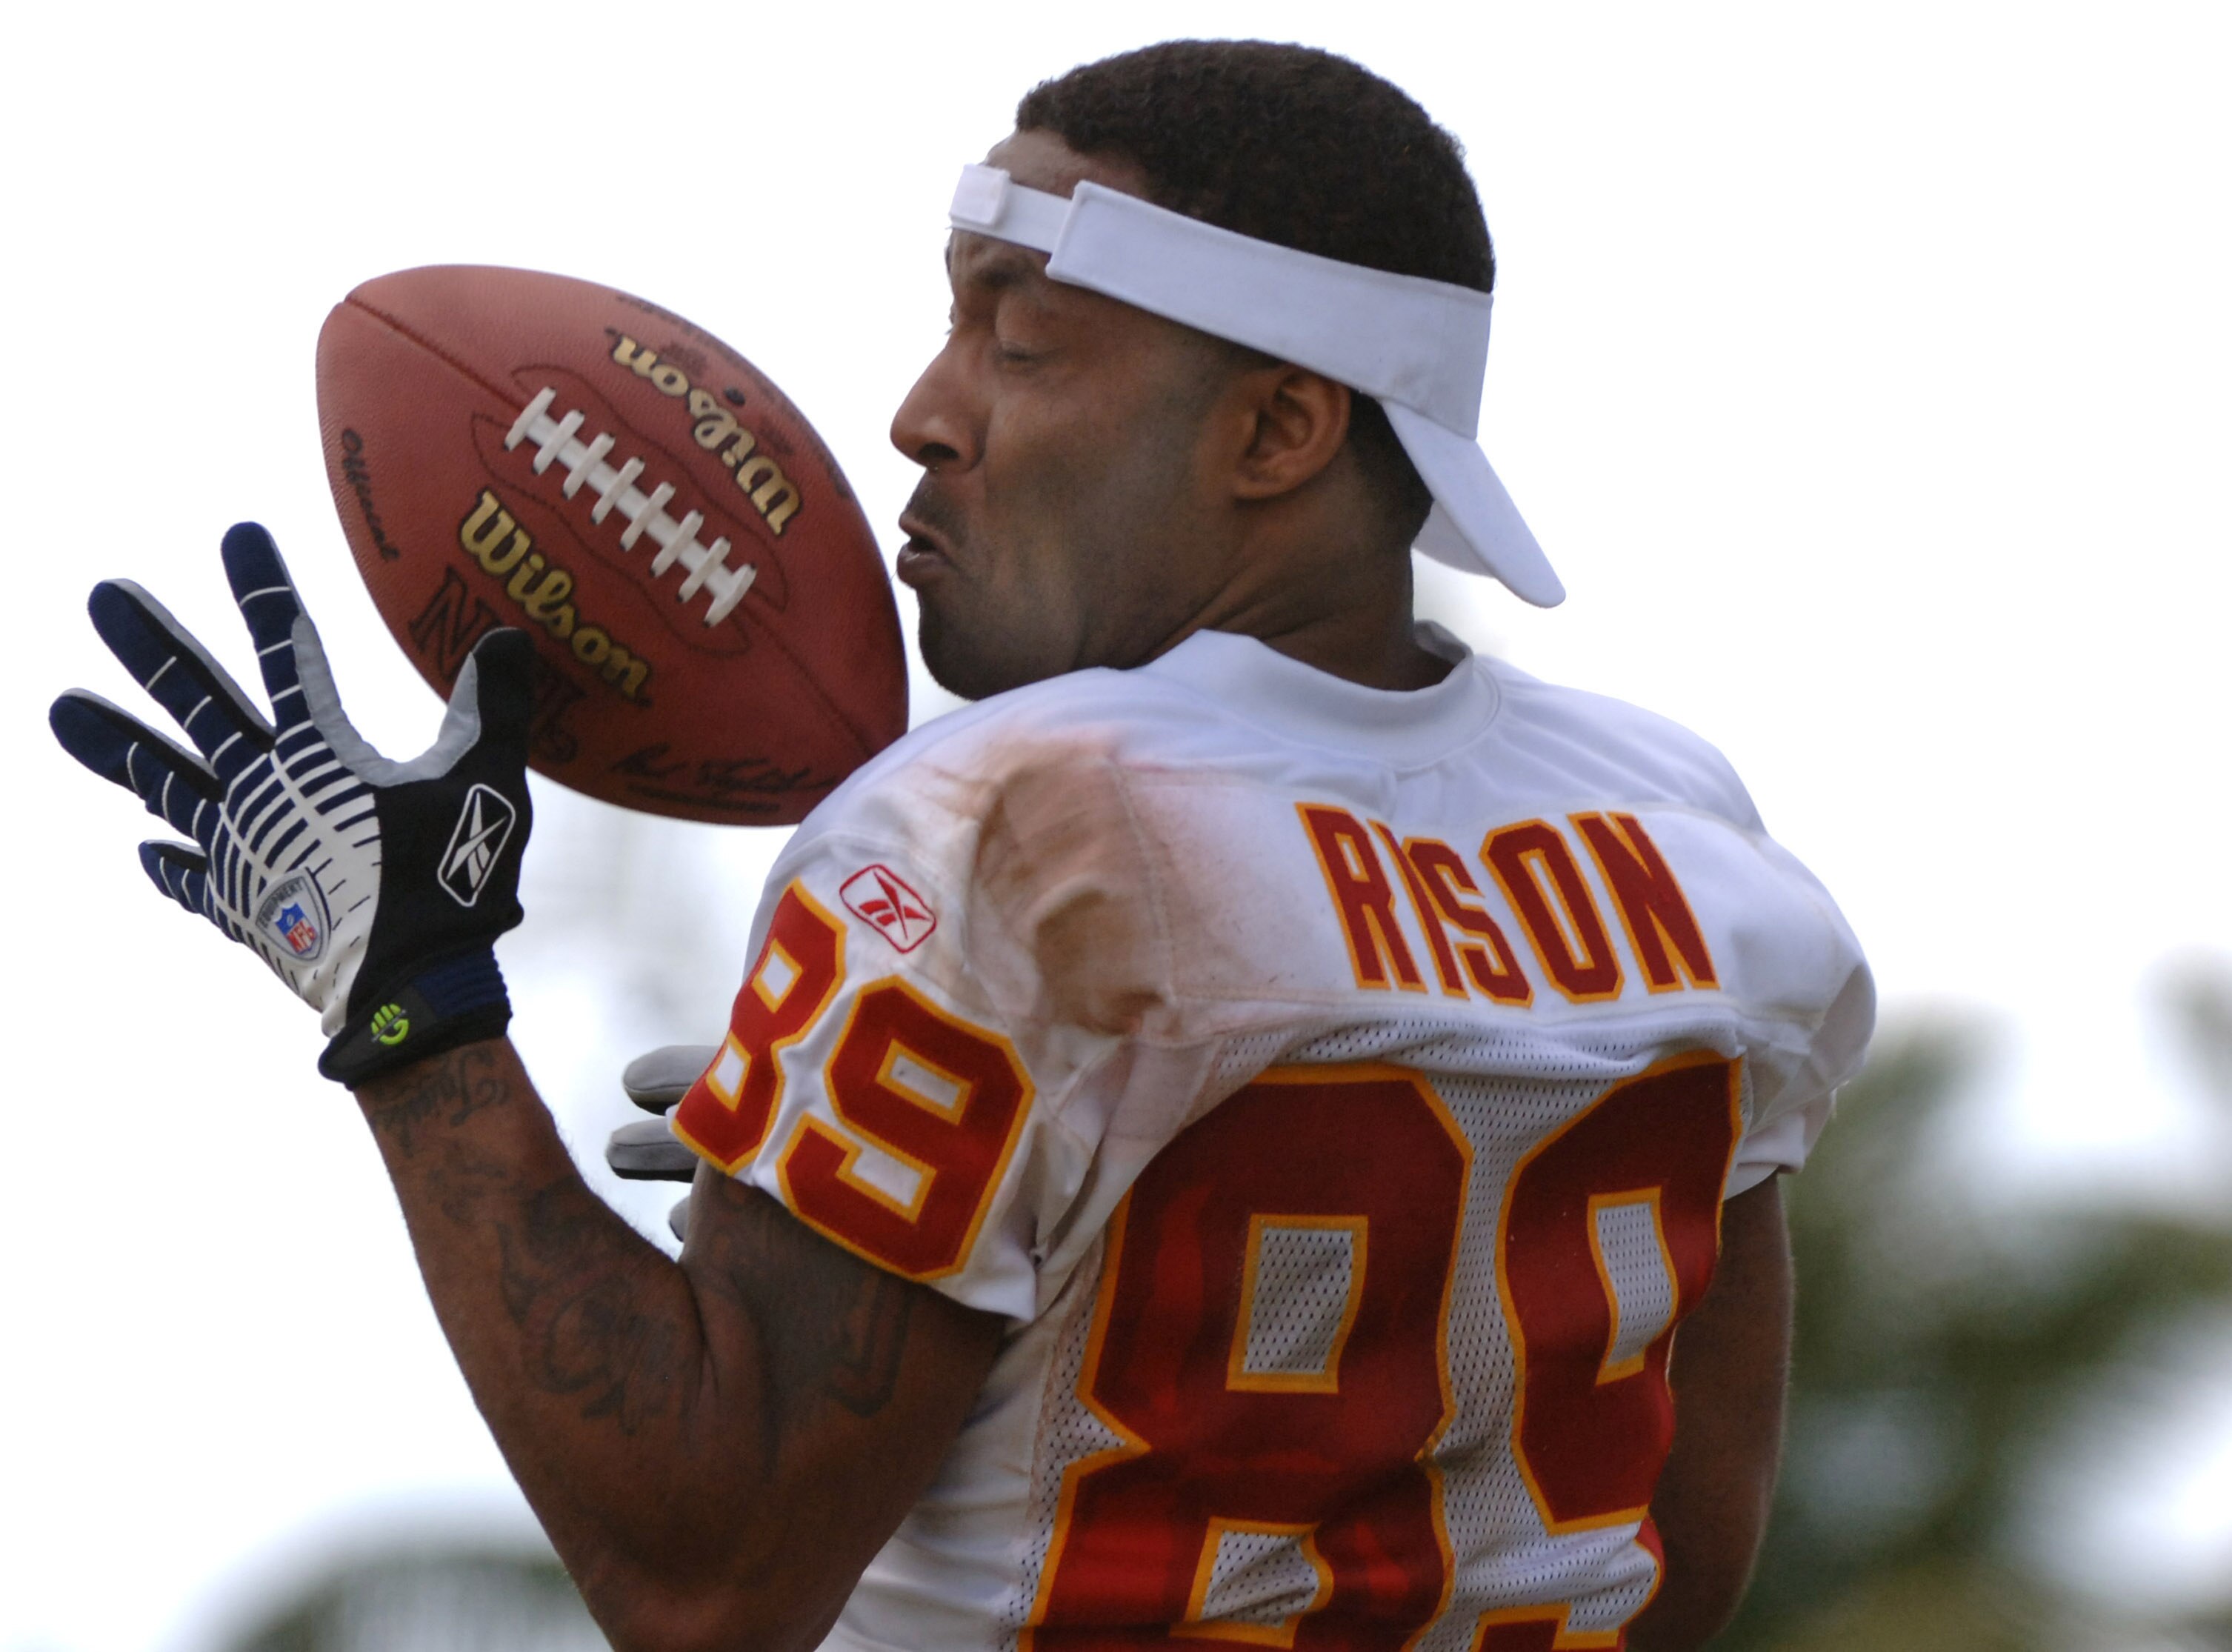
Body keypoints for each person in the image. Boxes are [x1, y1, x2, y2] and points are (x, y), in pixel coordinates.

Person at [50, 40, 1871, 1652]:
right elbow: (1679, 1556)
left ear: (1278, 427)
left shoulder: (1009, 814)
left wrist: (413, 1011)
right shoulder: (1686, 836)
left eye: (1018, 338)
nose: (924, 411)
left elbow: (708, 1579)